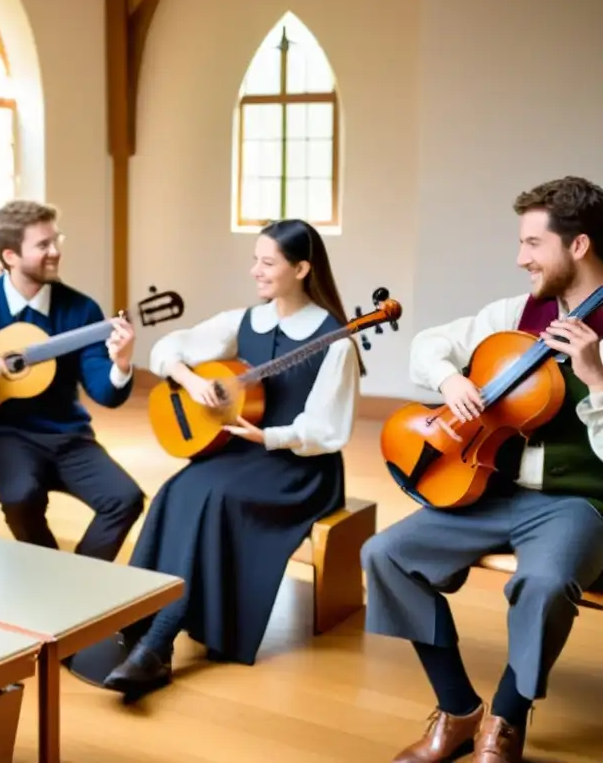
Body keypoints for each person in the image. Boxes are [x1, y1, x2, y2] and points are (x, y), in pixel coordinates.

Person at [361, 176, 603, 763]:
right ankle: (459, 710)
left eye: (532, 244)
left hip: (578, 503)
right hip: (494, 490)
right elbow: (427, 345)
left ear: (578, 246)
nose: (520, 258)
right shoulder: (513, 313)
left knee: (543, 585)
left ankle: (506, 720)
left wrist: (595, 377)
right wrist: (449, 379)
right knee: (385, 554)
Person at [99, 218, 362, 694]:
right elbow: (167, 348)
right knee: (177, 489)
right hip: (244, 449)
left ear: (302, 268)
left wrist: (268, 438)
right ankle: (139, 620)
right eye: (255, 259)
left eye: (267, 262)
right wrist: (191, 379)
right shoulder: (245, 321)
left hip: (300, 466)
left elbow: (327, 429)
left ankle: (158, 643)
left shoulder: (335, 339)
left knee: (213, 497)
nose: (255, 271)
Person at [0, 199, 144, 561]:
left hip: (69, 434)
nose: (56, 251)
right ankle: (46, 567)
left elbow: (105, 394)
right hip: (6, 435)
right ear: (10, 255)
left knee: (126, 499)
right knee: (19, 495)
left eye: (56, 240)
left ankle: (77, 575)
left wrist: (121, 362)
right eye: (43, 245)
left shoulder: (81, 309)